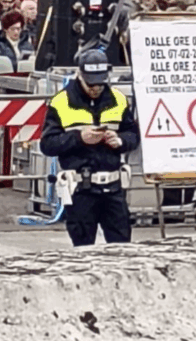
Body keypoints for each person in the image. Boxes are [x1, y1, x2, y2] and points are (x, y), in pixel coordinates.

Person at [39, 49, 139, 247]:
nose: (95, 88)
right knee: (83, 250)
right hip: (80, 190)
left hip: (113, 188)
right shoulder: (61, 102)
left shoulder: (118, 99)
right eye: (90, 83)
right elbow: (48, 144)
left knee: (122, 249)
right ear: (79, 75)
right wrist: (79, 138)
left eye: (100, 83)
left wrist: (120, 141)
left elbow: (133, 134)